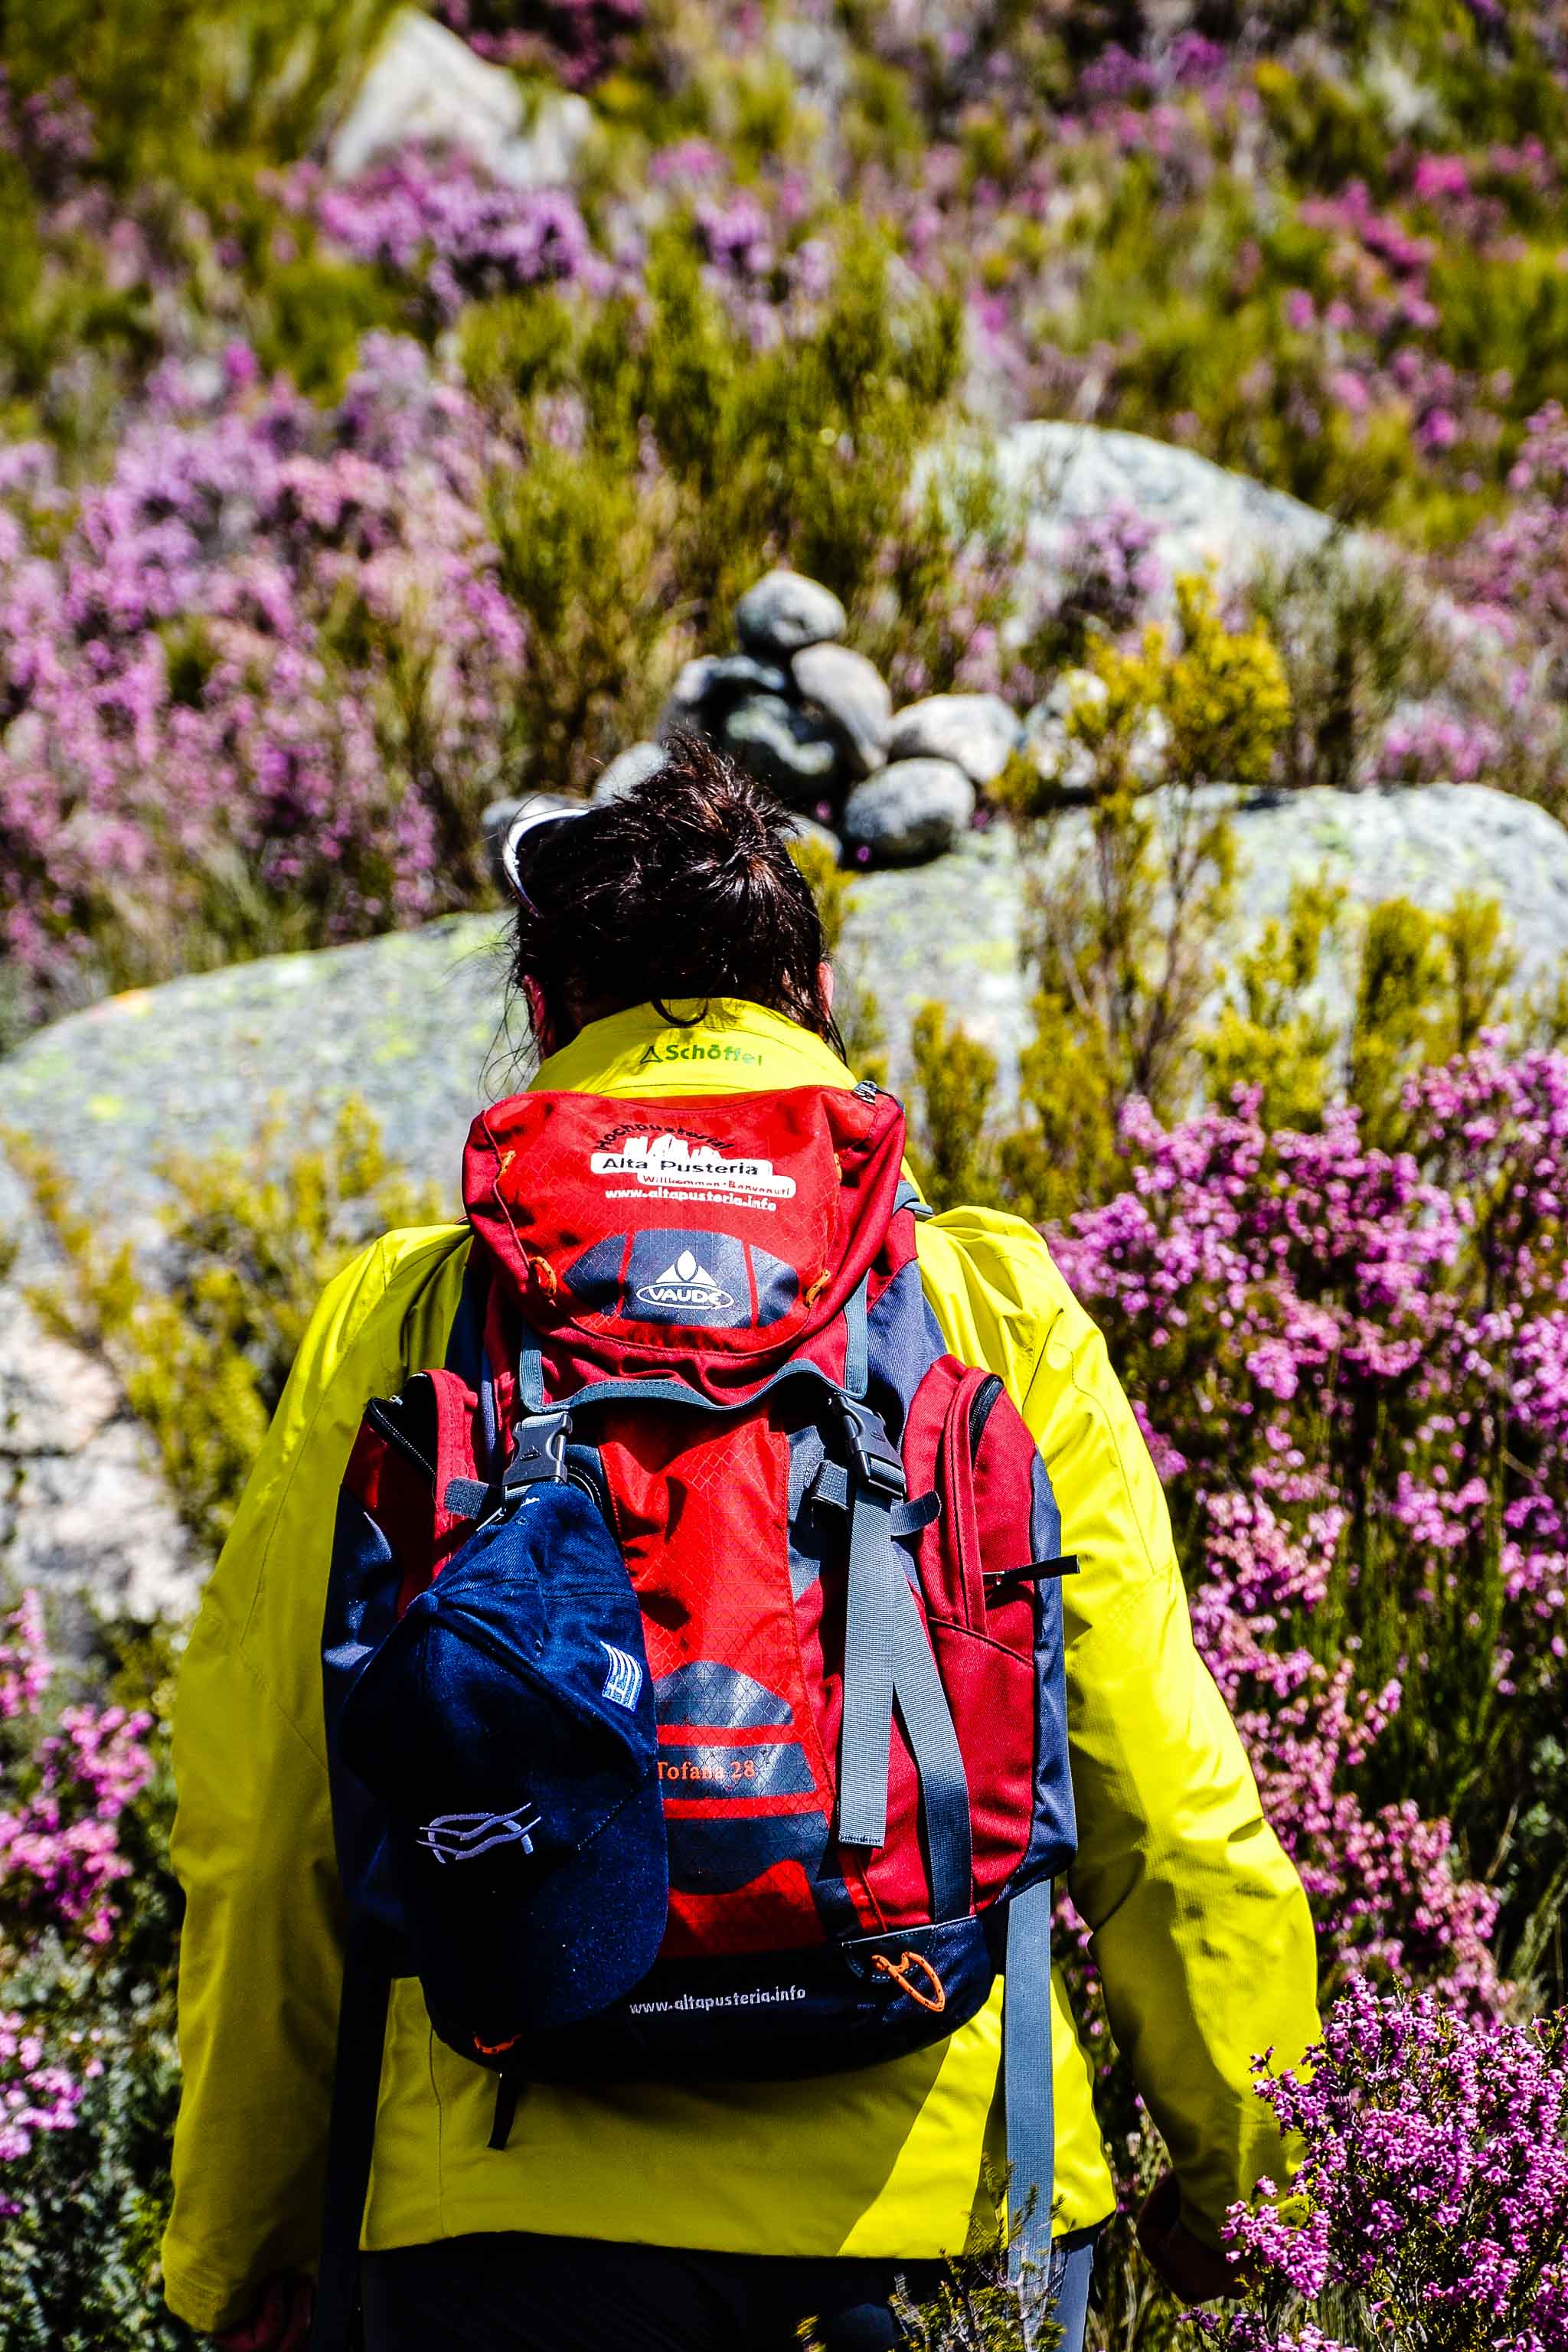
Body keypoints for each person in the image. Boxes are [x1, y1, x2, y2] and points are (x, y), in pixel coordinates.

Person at [162, 737, 1319, 2352]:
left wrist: (241, 2239)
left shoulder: (415, 1311)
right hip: (941, 2206)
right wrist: (1251, 2209)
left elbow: (267, 1806)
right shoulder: (985, 1301)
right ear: (816, 999)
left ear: (548, 1015)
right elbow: (1173, 1805)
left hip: (499, 2213)